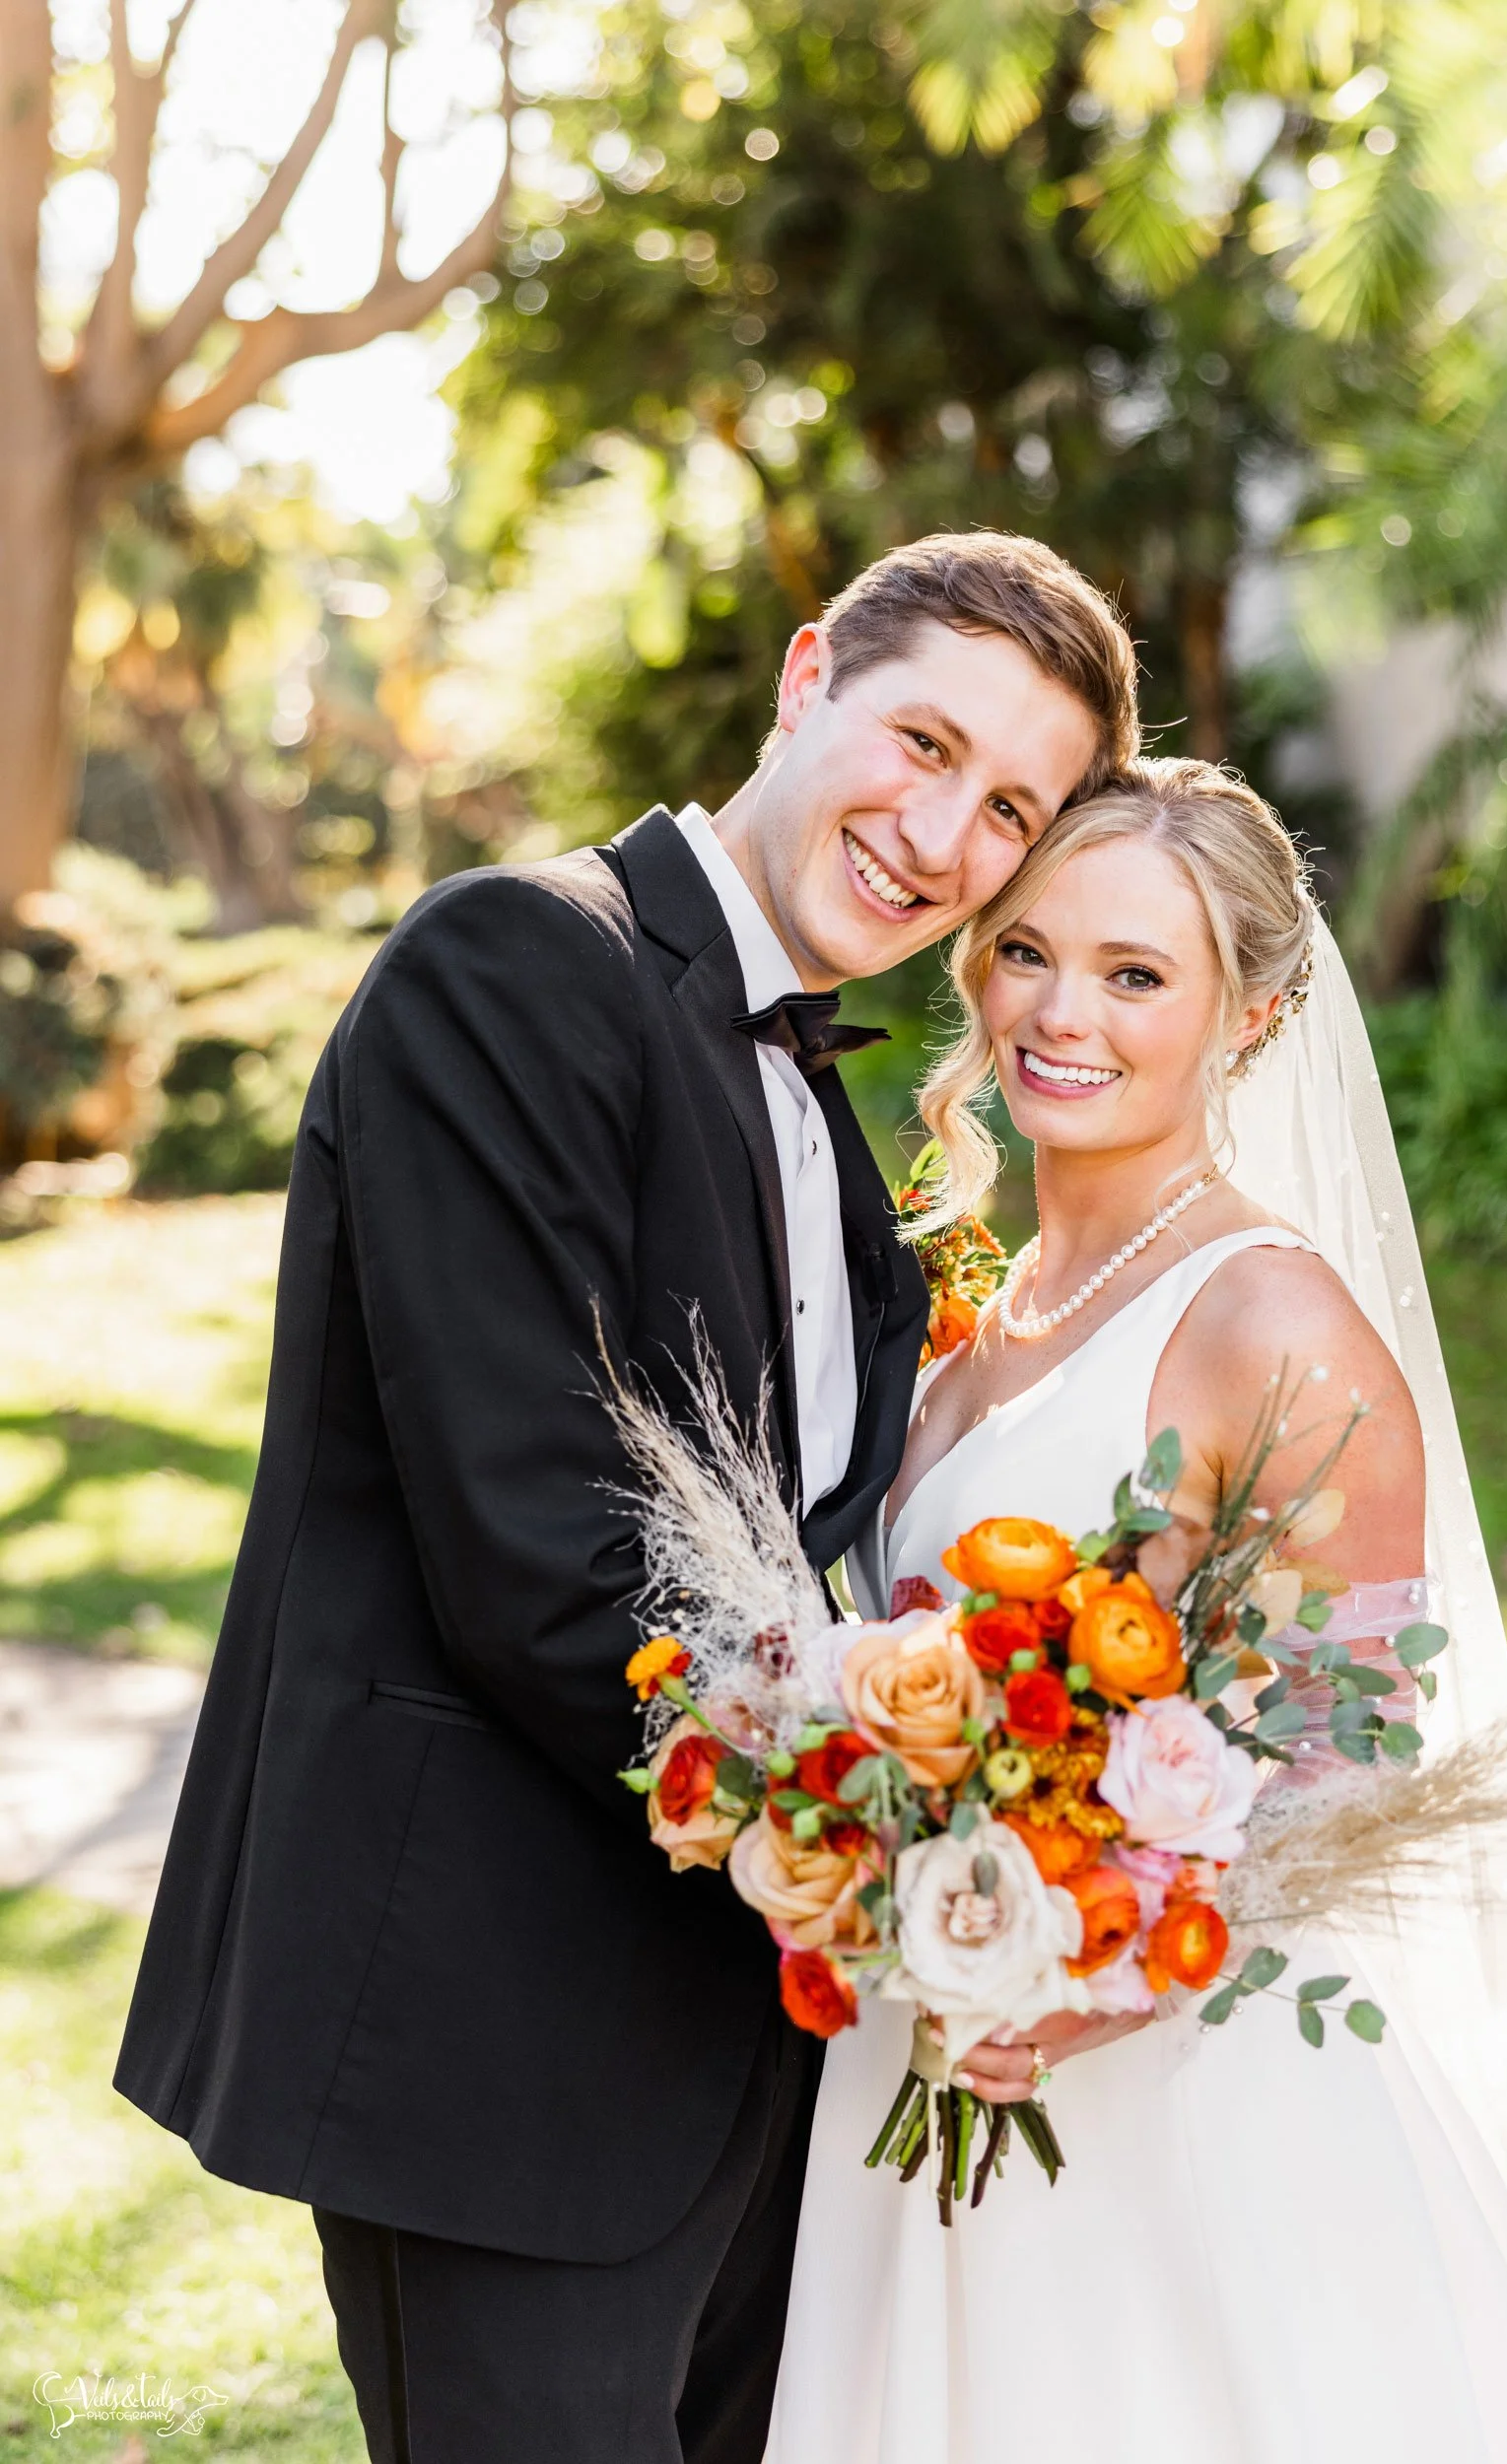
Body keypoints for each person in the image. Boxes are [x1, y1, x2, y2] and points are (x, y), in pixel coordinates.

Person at [112, 532, 1138, 2464]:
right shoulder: (511, 962)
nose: (939, 829)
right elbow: (540, 1542)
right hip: (496, 2032)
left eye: (1007, 805)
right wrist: (890, 1835)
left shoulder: (829, 1123)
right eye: (921, 740)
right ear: (809, 671)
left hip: (753, 2032)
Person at [768, 757, 1507, 2464]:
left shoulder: (1274, 1325)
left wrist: (1086, 1980)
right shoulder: (977, 1292)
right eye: (1026, 950)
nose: (1057, 1012)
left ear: (1246, 1019)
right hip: (928, 2034)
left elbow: (1352, 1760)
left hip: (1174, 2091)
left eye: (1136, 974)